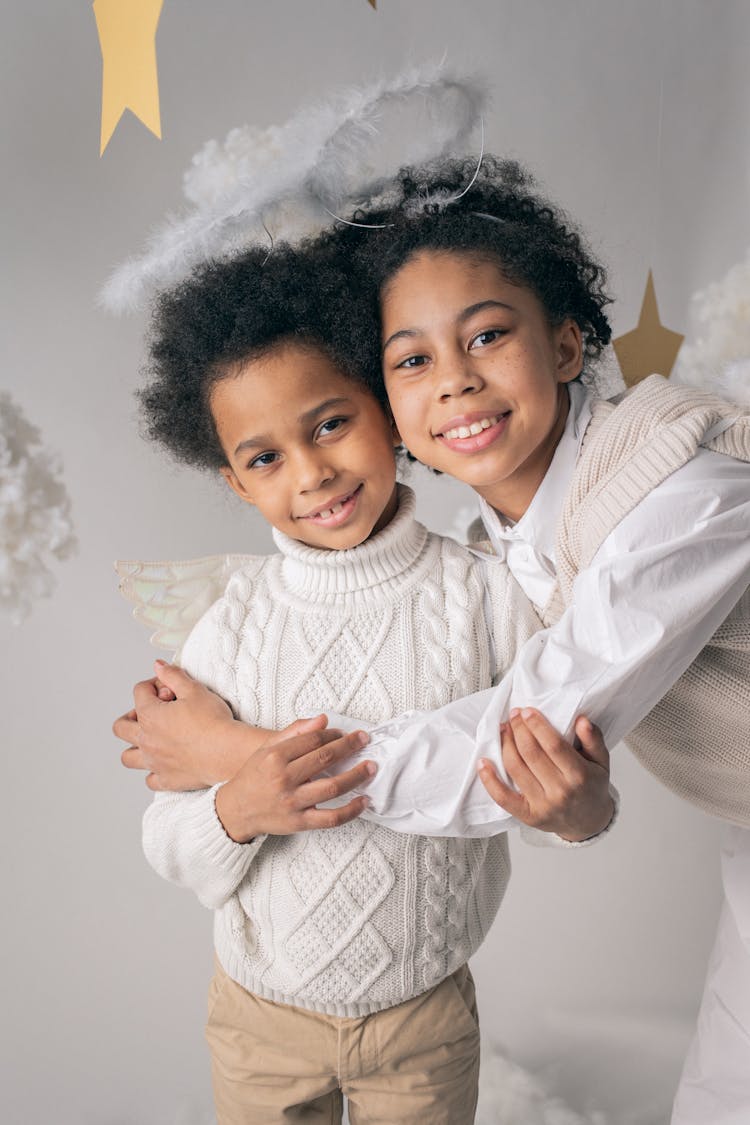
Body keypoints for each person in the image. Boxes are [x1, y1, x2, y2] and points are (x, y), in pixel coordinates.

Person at [116, 154, 749, 1123]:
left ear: (569, 345)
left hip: (419, 1021)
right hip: (262, 1016)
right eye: (413, 358)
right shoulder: (248, 617)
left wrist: (236, 754)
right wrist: (231, 799)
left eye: (488, 335)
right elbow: (545, 771)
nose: (455, 382)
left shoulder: (669, 496)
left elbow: (504, 752)